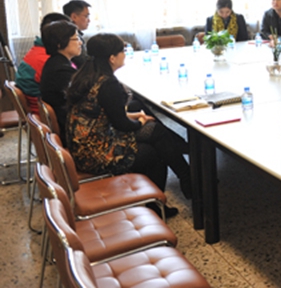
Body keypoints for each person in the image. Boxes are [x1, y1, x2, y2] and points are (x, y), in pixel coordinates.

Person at [66, 33, 191, 215]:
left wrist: (134, 116)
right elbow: (122, 125)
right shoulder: (108, 84)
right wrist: (140, 120)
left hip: (84, 144)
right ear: (112, 58)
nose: (124, 55)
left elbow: (103, 113)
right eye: (122, 51)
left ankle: (185, 178)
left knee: (155, 132)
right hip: (95, 152)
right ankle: (164, 199)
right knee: (155, 153)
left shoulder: (87, 75)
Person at [17, 12, 70, 112]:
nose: (80, 41)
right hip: (43, 109)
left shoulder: (37, 50)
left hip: (40, 105)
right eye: (74, 37)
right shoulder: (49, 61)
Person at [39, 20, 81, 139]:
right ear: (59, 43)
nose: (80, 42)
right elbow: (84, 99)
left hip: (69, 121)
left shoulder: (55, 62)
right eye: (76, 38)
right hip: (72, 130)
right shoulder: (61, 71)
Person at [63, 0, 91, 68]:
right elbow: (84, 62)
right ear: (74, 17)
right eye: (86, 16)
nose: (89, 20)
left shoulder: (76, 34)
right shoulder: (69, 37)